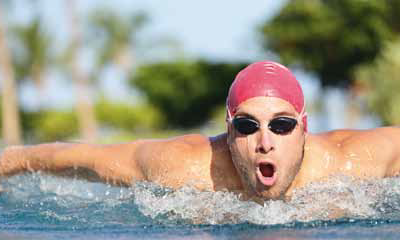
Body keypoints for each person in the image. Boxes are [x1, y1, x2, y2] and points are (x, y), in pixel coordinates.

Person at [1, 61, 400, 201]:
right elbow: (75, 158)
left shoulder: (350, 162)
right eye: (247, 126)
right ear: (228, 132)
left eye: (281, 125)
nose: (265, 142)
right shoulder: (185, 168)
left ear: (304, 130)